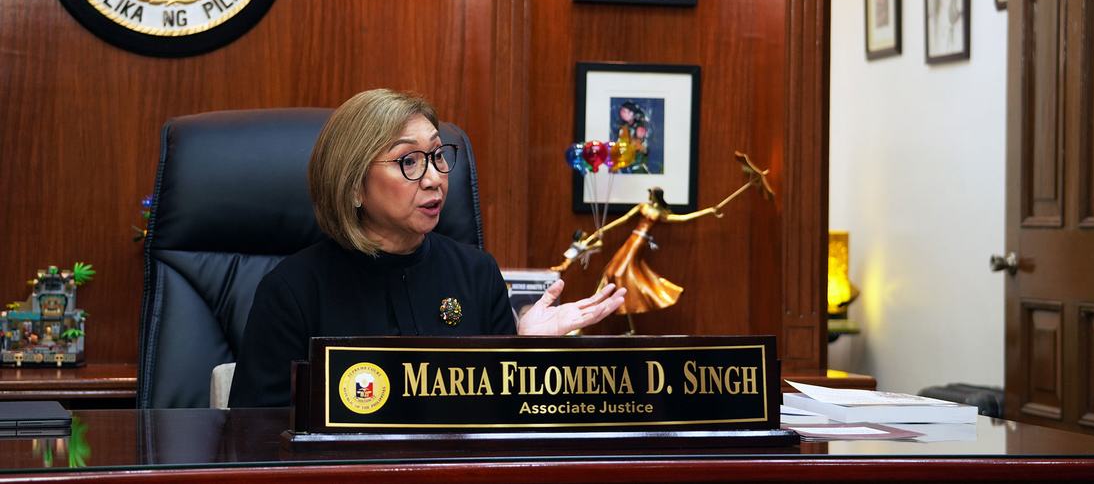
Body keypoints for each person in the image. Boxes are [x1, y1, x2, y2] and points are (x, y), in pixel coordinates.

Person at [229, 89, 625, 407]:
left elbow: (502, 420)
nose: (435, 178)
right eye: (409, 162)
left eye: (437, 155)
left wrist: (524, 352)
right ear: (352, 186)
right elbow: (256, 438)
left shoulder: (476, 273)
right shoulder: (292, 291)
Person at [552, 152, 773, 334]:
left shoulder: (658, 213)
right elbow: (622, 221)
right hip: (631, 240)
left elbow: (684, 218)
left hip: (638, 243)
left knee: (617, 274)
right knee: (611, 272)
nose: (649, 196)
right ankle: (588, 323)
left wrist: (709, 211)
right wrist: (600, 231)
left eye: (651, 194)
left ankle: (591, 324)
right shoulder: (642, 207)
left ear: (655, 196)